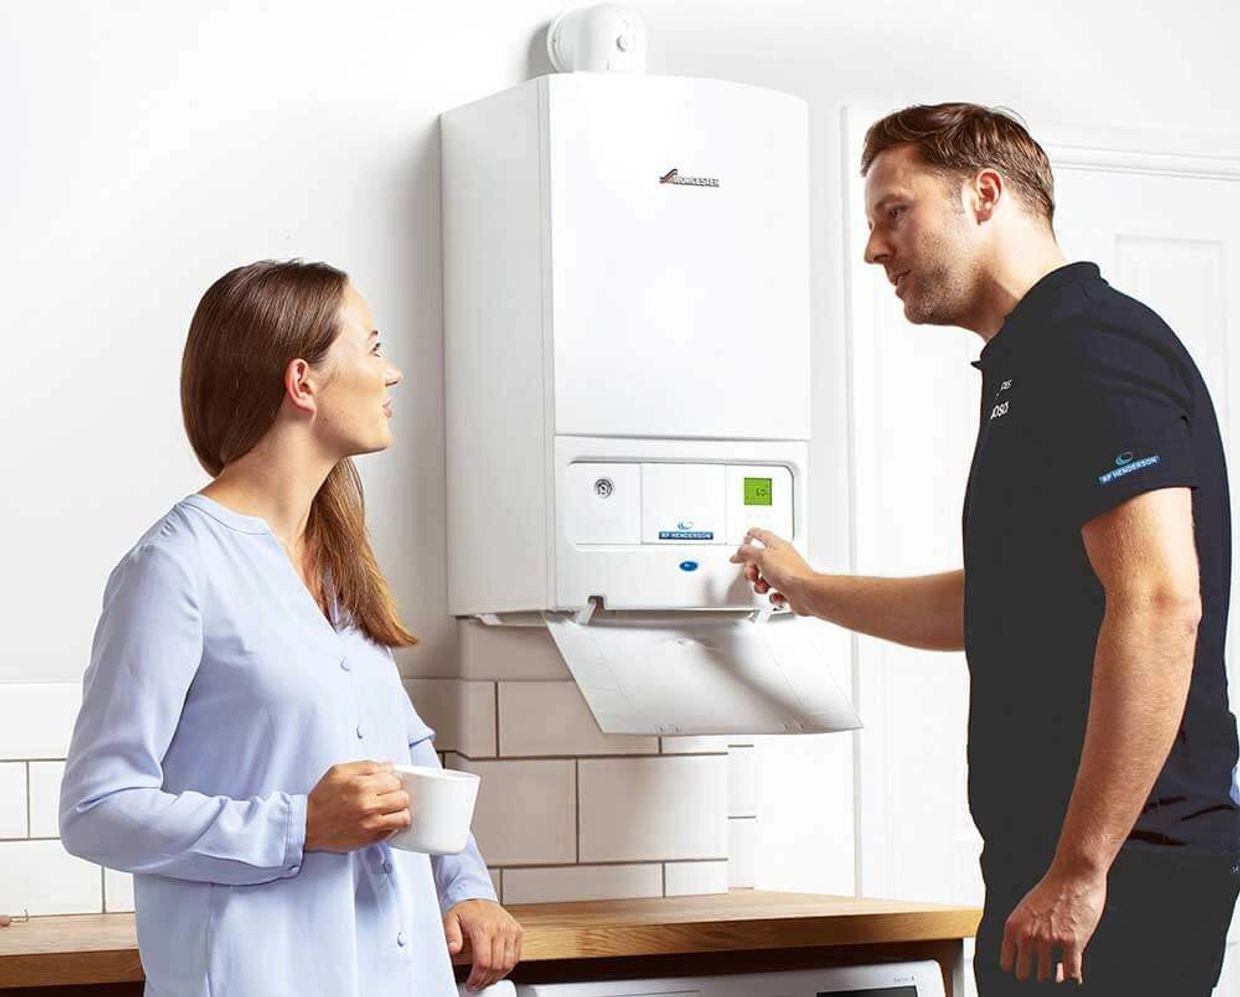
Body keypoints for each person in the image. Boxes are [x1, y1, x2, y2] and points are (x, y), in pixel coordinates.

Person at [732, 104, 1240, 995]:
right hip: (1060, 865)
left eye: (895, 212)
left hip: (1123, 868)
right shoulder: (1032, 361)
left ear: (985, 193)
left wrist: (1082, 870)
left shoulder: (1092, 345)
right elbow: (1000, 601)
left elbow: (1162, 601)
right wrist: (808, 589)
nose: (874, 249)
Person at [60, 260, 522, 996]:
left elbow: (404, 751)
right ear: (302, 381)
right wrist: (299, 823)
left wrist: (466, 884)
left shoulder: (338, 562)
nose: (391, 371)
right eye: (371, 347)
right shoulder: (175, 568)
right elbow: (96, 810)